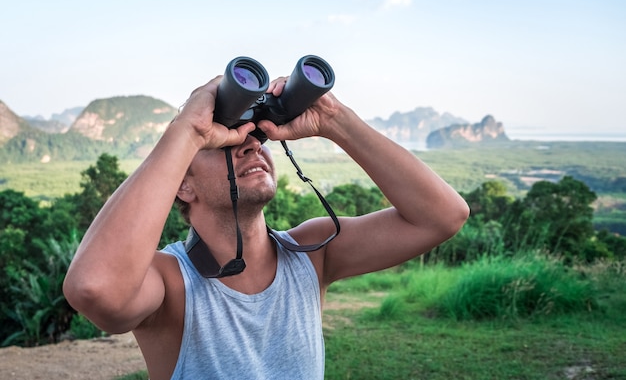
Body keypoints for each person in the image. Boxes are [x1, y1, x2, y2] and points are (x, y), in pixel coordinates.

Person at [63, 72, 470, 380]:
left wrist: (334, 119)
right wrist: (187, 131)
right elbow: (95, 289)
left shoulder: (312, 252)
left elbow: (443, 216)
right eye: (223, 143)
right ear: (182, 184)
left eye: (255, 135)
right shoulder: (170, 283)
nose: (250, 143)